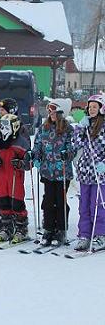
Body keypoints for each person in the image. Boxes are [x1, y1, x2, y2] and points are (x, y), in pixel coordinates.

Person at [32, 99, 74, 246]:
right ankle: (48, 229)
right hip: (47, 171)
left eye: (54, 110)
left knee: (60, 200)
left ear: (61, 112)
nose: (51, 113)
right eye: (49, 110)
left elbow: (73, 147)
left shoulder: (68, 129)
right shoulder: (44, 128)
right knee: (48, 201)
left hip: (62, 172)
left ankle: (60, 230)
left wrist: (67, 153)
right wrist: (35, 156)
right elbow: (37, 144)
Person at [0, 114, 31, 243]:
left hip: (15, 177)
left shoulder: (21, 142)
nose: (3, 129)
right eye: (1, 126)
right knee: (3, 202)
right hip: (2, 176)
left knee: (17, 203)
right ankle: (6, 227)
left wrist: (20, 163)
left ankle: (21, 229)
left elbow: (29, 163)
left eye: (6, 126)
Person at [72, 94, 105, 251]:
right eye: (90, 107)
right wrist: (80, 127)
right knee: (84, 205)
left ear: (101, 108)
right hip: (85, 171)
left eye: (95, 107)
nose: (91, 109)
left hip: (100, 173)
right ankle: (84, 234)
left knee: (97, 205)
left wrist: (104, 164)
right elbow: (76, 143)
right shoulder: (84, 126)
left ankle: (100, 235)